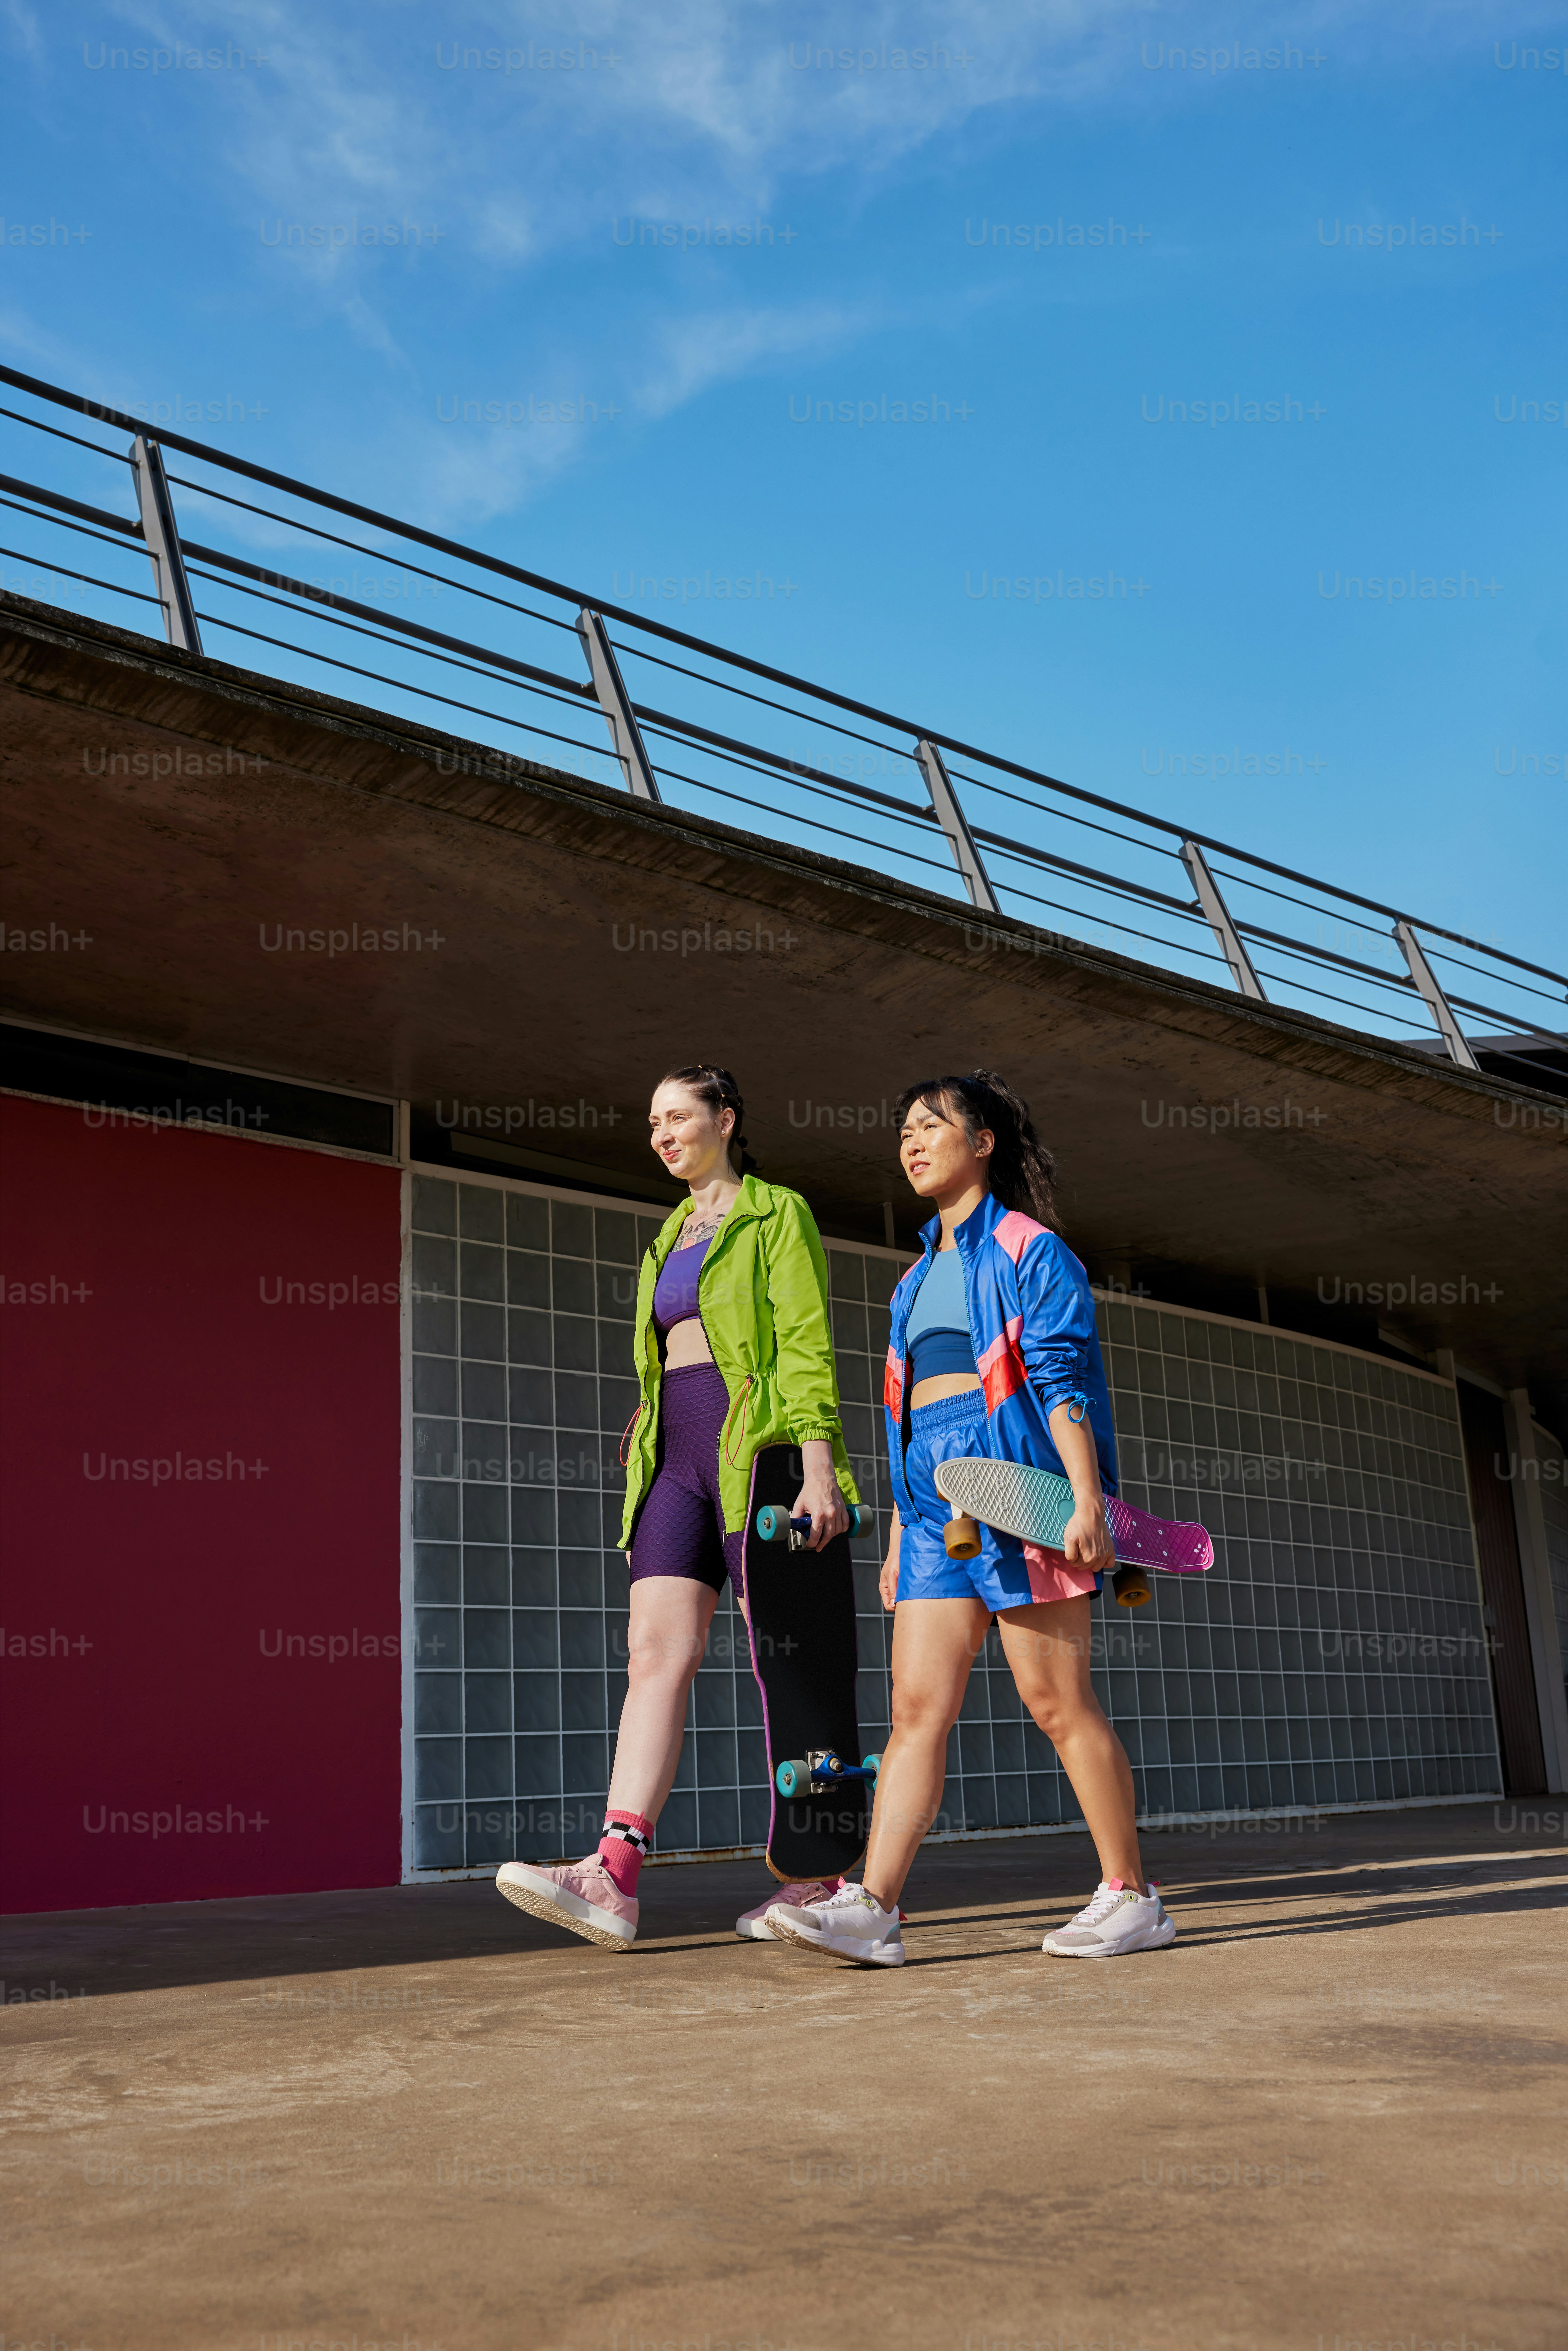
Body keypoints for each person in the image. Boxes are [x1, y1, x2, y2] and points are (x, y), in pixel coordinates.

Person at [765, 1070, 1174, 1969]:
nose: (911, 1143)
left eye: (931, 1126)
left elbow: (1061, 1379)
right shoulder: (911, 1282)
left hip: (1024, 1488)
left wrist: (1085, 1500)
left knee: (1055, 1700)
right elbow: (906, 1413)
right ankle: (874, 1908)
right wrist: (909, 1527)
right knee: (917, 1709)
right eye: (903, 1131)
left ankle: (1131, 1896)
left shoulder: (1032, 1250)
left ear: (982, 1141)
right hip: (934, 1507)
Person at [494, 1063, 862, 1949]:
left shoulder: (778, 1213)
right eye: (652, 1121)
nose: (662, 1134)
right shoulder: (668, 1234)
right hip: (674, 1462)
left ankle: (826, 1877)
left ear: (725, 1119)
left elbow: (804, 1343)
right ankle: (613, 1874)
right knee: (654, 1651)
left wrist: (818, 1470)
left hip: (760, 1453)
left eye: (679, 1116)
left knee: (796, 1660)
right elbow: (660, 1368)